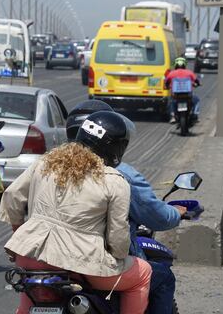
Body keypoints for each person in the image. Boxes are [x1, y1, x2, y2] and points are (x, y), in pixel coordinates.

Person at [0, 111, 152, 314]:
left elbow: (11, 197)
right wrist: (118, 255)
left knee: (29, 298)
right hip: (80, 264)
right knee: (143, 274)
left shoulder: (45, 163)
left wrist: (21, 236)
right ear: (115, 147)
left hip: (29, 257)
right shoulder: (114, 180)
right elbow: (117, 238)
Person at [66, 100, 187, 314]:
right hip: (93, 262)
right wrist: (175, 213)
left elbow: (14, 199)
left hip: (48, 257)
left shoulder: (51, 165)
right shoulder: (119, 175)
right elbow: (125, 234)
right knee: (160, 276)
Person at [165, 57, 201, 124]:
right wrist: (198, 84)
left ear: (175, 65)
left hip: (176, 96)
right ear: (184, 65)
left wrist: (167, 86)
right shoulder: (189, 72)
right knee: (197, 100)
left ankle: (172, 116)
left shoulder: (172, 73)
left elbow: (166, 82)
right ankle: (195, 114)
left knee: (171, 102)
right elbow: (196, 80)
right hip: (188, 96)